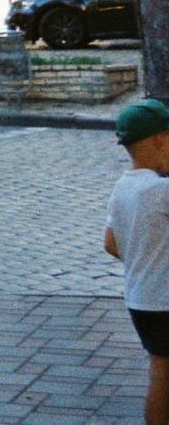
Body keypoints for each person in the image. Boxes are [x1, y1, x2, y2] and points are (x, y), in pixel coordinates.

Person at [105, 100, 169, 425]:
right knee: (163, 377)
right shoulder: (161, 190)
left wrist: (147, 257)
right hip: (164, 301)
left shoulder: (122, 188)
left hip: (140, 299)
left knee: (160, 372)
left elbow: (111, 243)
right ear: (160, 139)